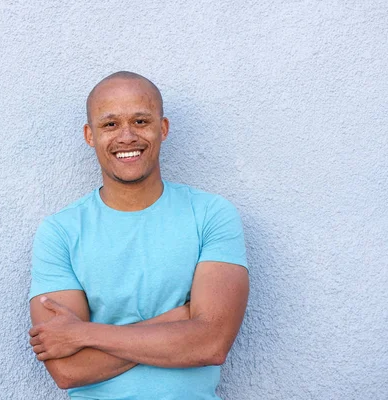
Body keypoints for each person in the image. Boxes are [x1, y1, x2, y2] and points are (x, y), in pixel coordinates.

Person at [28, 71, 249, 399]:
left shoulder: (211, 215)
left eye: (141, 121)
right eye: (110, 124)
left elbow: (212, 344)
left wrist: (84, 334)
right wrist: (180, 320)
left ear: (163, 128)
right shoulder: (60, 232)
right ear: (90, 135)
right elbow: (67, 370)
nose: (127, 136)